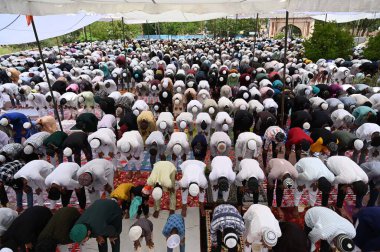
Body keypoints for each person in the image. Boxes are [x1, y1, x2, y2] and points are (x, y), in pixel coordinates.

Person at [326, 156, 369, 220]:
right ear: (352, 187)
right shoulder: (345, 178)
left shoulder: (365, 179)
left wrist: (346, 186)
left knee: (344, 187)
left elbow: (352, 182)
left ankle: (339, 205)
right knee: (339, 188)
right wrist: (332, 186)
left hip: (345, 159)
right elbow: (335, 180)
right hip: (332, 161)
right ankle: (338, 206)